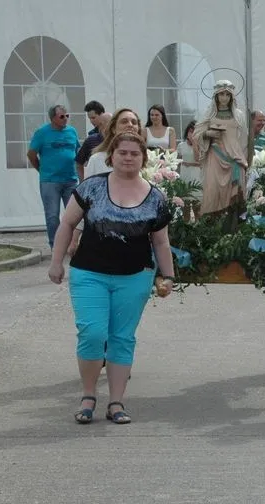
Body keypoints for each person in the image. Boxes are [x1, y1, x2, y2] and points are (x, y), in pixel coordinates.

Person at [47, 131, 175, 425]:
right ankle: (89, 394)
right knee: (92, 334)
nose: (128, 158)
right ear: (111, 156)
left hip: (134, 277)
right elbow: (67, 224)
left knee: (121, 338)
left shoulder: (156, 197)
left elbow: (161, 242)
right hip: (89, 273)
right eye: (123, 153)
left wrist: (167, 275)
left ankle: (116, 401)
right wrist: (56, 262)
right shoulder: (91, 187)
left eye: (134, 153)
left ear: (143, 158)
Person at [26, 105, 80, 249]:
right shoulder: (42, 133)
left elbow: (78, 151)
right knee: (52, 216)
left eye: (67, 116)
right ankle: (55, 246)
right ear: (52, 118)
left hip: (71, 180)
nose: (65, 119)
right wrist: (41, 170)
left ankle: (72, 245)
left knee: (74, 215)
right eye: (61, 116)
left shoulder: (72, 131)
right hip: (50, 181)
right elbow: (31, 154)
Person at [193, 80, 249, 216]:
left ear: (231, 97)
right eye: (221, 94)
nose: (224, 97)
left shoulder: (239, 115)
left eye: (227, 94)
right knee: (212, 191)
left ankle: (233, 227)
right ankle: (212, 227)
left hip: (234, 159)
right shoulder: (209, 114)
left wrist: (242, 156)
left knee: (235, 194)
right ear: (216, 96)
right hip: (215, 156)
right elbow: (196, 134)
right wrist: (208, 133)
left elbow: (243, 138)